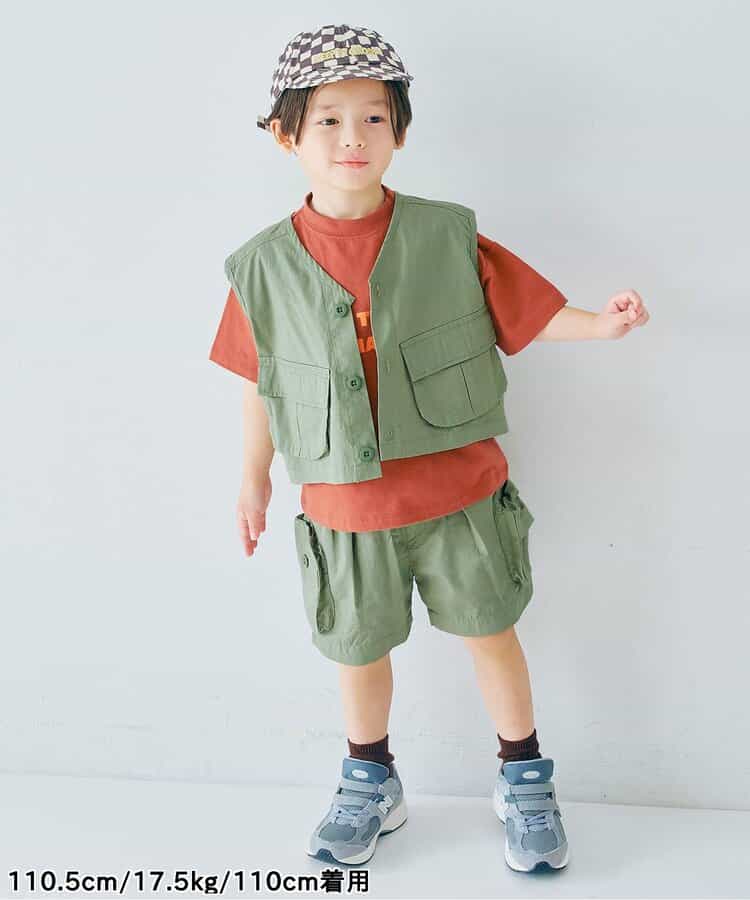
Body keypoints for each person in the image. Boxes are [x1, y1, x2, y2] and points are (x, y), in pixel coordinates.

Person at [209, 23, 649, 874]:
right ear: (286, 135)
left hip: (463, 496)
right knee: (358, 651)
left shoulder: (447, 235)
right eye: (328, 119)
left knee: (492, 633)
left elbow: (525, 312)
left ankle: (523, 775)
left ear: (400, 132)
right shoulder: (260, 268)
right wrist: (252, 479)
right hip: (343, 507)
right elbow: (259, 381)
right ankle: (370, 780)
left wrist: (603, 325)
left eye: (374, 118)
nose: (353, 137)